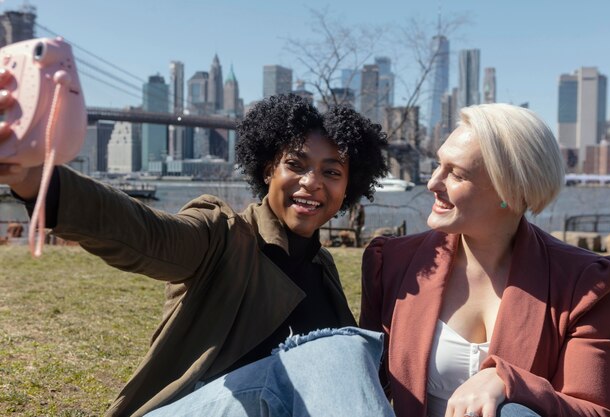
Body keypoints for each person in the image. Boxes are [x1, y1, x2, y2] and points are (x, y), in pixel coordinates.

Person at [1, 94, 391, 416]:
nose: (311, 182)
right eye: (295, 164)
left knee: (346, 351)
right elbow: (145, 233)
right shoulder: (222, 234)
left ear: (347, 188)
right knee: (340, 348)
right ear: (268, 168)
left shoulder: (323, 271)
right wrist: (33, 180)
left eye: (331, 172)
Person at [360, 103, 610, 417]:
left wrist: (510, 382)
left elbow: (597, 410)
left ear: (510, 191)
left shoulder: (587, 286)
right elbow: (368, 387)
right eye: (438, 165)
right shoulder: (391, 264)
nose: (433, 182)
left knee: (513, 412)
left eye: (456, 174)